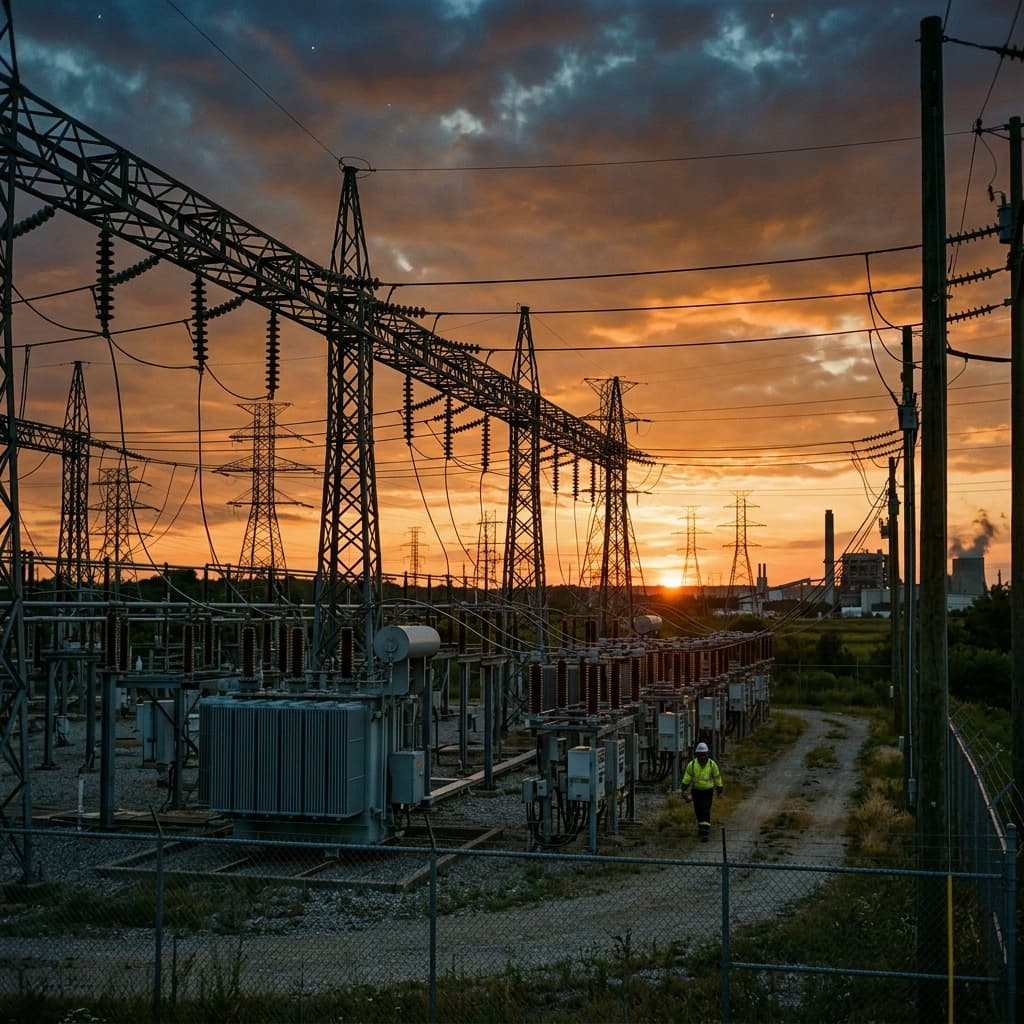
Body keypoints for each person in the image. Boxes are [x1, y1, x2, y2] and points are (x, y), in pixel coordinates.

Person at [681, 741, 723, 842]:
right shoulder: (692, 765)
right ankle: (701, 828)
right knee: (698, 810)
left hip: (707, 791)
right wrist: (684, 789)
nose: (703, 756)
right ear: (697, 754)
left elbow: (717, 778)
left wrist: (719, 790)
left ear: (707, 754)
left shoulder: (712, 764)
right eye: (701, 754)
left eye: (704, 754)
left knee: (705, 810)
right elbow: (687, 777)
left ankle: (705, 832)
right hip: (696, 791)